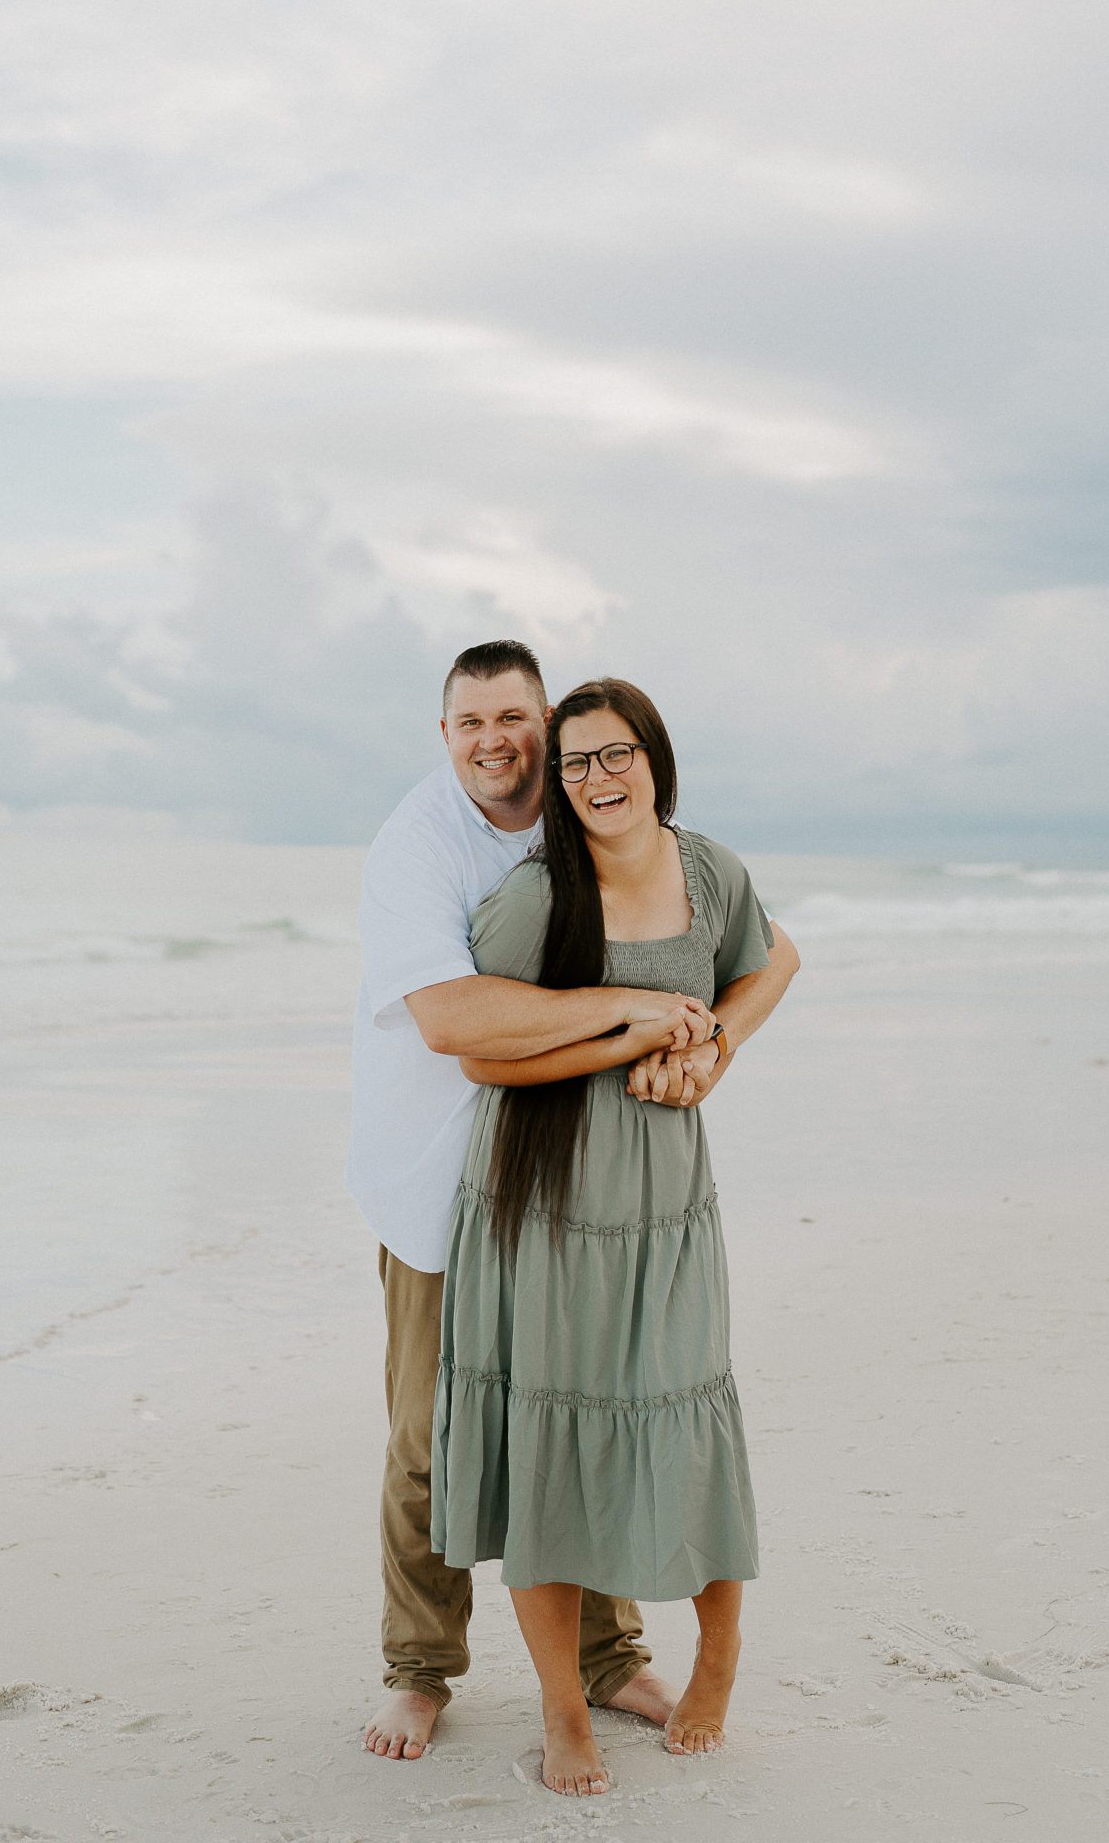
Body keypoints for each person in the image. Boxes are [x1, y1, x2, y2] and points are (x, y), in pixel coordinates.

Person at [347, 642, 757, 1762]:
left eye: (514, 716)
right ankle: (419, 1667)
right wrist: (634, 1013)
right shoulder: (420, 845)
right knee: (437, 1434)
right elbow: (454, 1020)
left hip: (584, 1181)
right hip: (441, 1179)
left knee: (590, 1406)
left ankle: (608, 1655)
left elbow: (714, 945)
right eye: (470, 720)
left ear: (548, 722)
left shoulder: (585, 810)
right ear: (445, 737)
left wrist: (704, 1034)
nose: (496, 740)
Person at [429, 676, 799, 1796]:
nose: (598, 778)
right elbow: (481, 1053)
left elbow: (773, 960)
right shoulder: (541, 895)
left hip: (665, 1209)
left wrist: (711, 1045)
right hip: (539, 1205)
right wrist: (628, 1026)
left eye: (616, 753)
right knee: (545, 1450)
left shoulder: (710, 871)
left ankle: (718, 1656)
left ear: (655, 757)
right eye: (578, 761)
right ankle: (561, 1705)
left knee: (687, 1423)